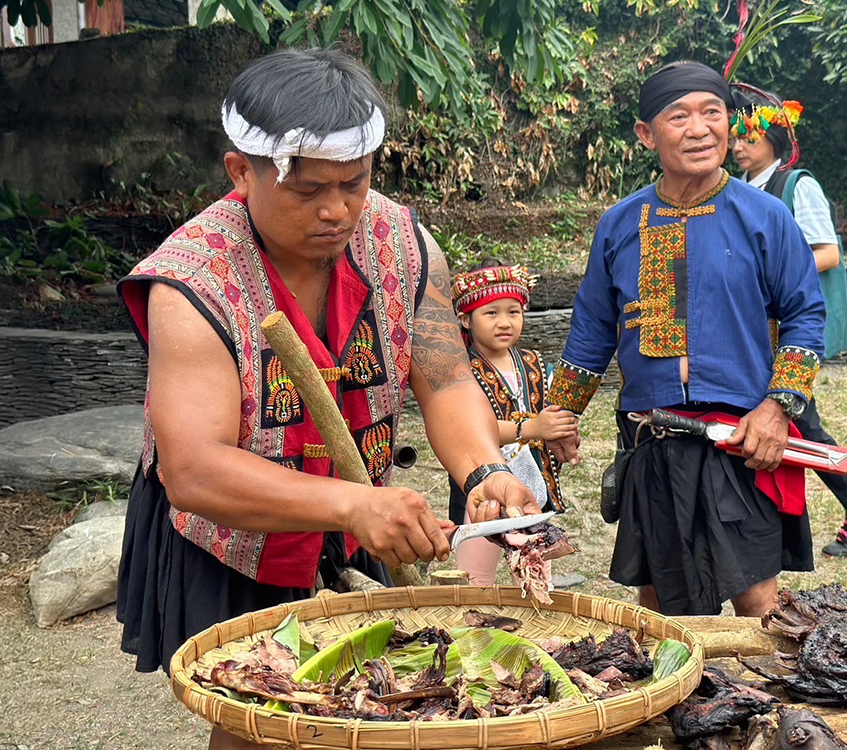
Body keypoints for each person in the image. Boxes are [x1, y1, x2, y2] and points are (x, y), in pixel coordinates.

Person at [115, 49, 538, 749]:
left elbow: (447, 377)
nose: (338, 209)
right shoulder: (191, 283)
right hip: (234, 539)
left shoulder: (403, 241)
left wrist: (484, 470)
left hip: (354, 511)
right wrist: (355, 503)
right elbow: (191, 470)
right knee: (258, 717)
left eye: (356, 182)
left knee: (366, 705)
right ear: (241, 172)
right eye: (308, 190)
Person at [545, 61, 826, 618]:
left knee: (760, 604)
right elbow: (591, 332)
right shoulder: (622, 224)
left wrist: (777, 408)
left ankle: (767, 702)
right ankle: (677, 704)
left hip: (740, 440)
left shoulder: (765, 217)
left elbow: (805, 316)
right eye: (680, 116)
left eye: (712, 113)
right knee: (662, 607)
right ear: (647, 134)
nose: (700, 129)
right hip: (654, 440)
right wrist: (560, 412)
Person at [730, 91, 847, 558]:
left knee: (800, 419)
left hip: (790, 332)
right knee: (796, 420)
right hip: (757, 334)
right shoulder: (741, 187)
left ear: (776, 139)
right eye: (738, 137)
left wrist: (765, 276)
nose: (740, 146)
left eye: (752, 137)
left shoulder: (796, 185)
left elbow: (827, 251)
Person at [447, 261, 577, 584]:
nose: (504, 322)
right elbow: (473, 428)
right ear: (465, 318)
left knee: (536, 568)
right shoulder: (461, 373)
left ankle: (539, 628)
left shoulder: (531, 363)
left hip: (529, 485)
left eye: (513, 312)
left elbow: (546, 414)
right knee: (475, 576)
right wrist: (532, 428)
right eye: (491, 313)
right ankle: (472, 627)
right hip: (482, 488)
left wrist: (562, 439)